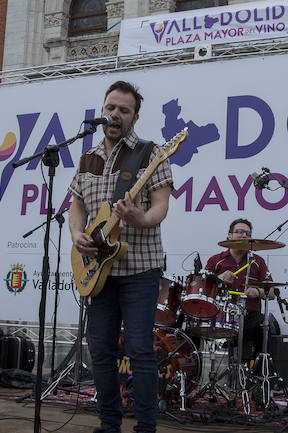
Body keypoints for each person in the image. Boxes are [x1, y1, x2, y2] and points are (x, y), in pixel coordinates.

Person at [68, 81, 173, 433]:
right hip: (98, 271)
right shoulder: (88, 156)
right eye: (110, 107)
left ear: (134, 116)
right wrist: (76, 234)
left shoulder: (150, 152)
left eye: (123, 110)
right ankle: (109, 424)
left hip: (140, 268)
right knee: (99, 351)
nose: (114, 114)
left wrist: (137, 218)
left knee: (141, 350)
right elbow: (76, 204)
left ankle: (145, 428)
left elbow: (160, 208)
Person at [205, 218, 275, 362]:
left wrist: (257, 291)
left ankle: (258, 372)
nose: (244, 236)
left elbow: (272, 292)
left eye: (248, 233)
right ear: (229, 236)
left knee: (265, 326)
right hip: (222, 316)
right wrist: (218, 278)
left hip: (250, 316)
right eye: (240, 232)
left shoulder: (257, 261)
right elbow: (203, 289)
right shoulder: (215, 261)